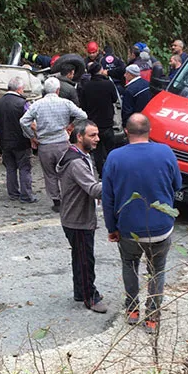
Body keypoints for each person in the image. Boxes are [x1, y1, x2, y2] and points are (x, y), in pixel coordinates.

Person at [102, 114, 181, 333]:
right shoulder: (165, 152)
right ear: (150, 130)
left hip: (129, 228)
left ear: (126, 131)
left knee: (129, 265)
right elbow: (178, 184)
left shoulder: (115, 157)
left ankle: (132, 310)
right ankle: (153, 317)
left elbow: (108, 198)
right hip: (161, 227)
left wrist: (112, 228)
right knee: (157, 271)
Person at [56, 119, 107, 313]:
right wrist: (116, 182)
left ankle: (80, 291)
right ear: (79, 136)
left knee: (80, 256)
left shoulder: (80, 155)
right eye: (92, 135)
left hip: (76, 215)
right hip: (77, 219)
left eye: (97, 134)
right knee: (86, 259)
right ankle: (90, 297)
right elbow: (93, 189)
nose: (97, 139)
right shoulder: (76, 162)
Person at [20, 77, 87, 212]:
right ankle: (69, 198)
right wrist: (71, 126)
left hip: (45, 144)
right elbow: (83, 115)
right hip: (62, 142)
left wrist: (32, 136)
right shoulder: (65, 103)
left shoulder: (37, 104)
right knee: (66, 172)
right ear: (58, 90)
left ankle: (57, 201)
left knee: (50, 174)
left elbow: (23, 121)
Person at [0, 77, 36, 203]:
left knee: (10, 168)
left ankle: (13, 194)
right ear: (19, 89)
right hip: (21, 141)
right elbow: (31, 123)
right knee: (24, 168)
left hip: (4, 142)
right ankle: (26, 195)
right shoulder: (23, 103)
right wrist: (34, 137)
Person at [78, 62, 118, 177]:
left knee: (97, 151)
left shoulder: (86, 86)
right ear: (100, 70)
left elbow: (83, 105)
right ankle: (114, 171)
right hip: (107, 122)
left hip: (93, 123)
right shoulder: (108, 84)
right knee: (111, 149)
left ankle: (101, 174)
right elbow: (114, 99)